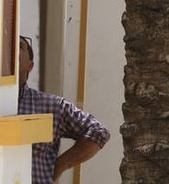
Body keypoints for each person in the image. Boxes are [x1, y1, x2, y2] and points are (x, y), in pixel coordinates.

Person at [18, 35, 110, 184]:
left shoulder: (49, 106)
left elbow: (98, 131)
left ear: (30, 66)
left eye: (19, 46)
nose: (11, 50)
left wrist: (60, 166)